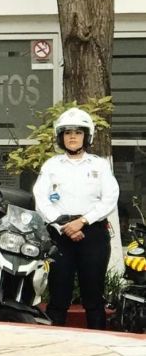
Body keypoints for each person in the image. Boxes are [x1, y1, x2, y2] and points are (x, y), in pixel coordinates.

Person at [33, 107, 119, 329]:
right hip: (60, 234)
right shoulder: (51, 166)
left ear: (86, 136)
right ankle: (52, 349)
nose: (72, 137)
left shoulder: (99, 165)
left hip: (92, 233)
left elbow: (110, 198)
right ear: (60, 137)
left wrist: (83, 221)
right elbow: (41, 200)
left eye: (78, 132)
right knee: (58, 296)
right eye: (67, 132)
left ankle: (100, 345)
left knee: (93, 297)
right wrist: (64, 226)